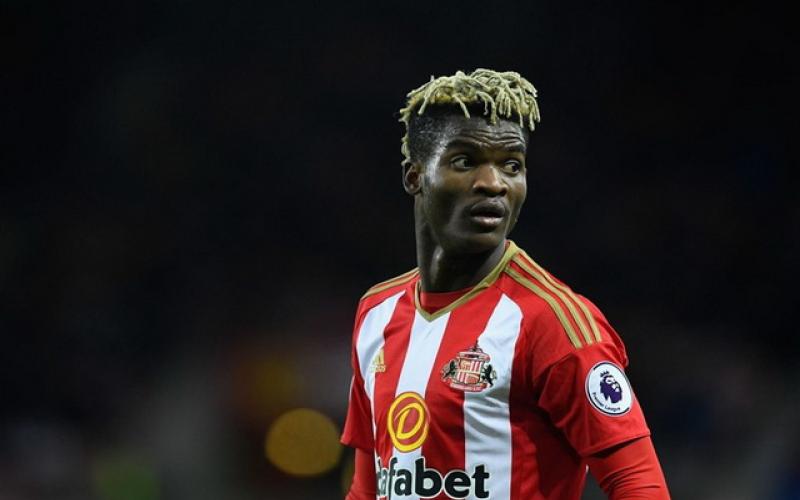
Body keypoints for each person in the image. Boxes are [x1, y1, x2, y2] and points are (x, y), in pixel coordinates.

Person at [341, 69, 670, 499]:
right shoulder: (376, 313)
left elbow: (639, 483)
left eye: (511, 165)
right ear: (414, 176)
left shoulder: (552, 322)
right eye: (465, 161)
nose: (493, 183)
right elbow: (367, 489)